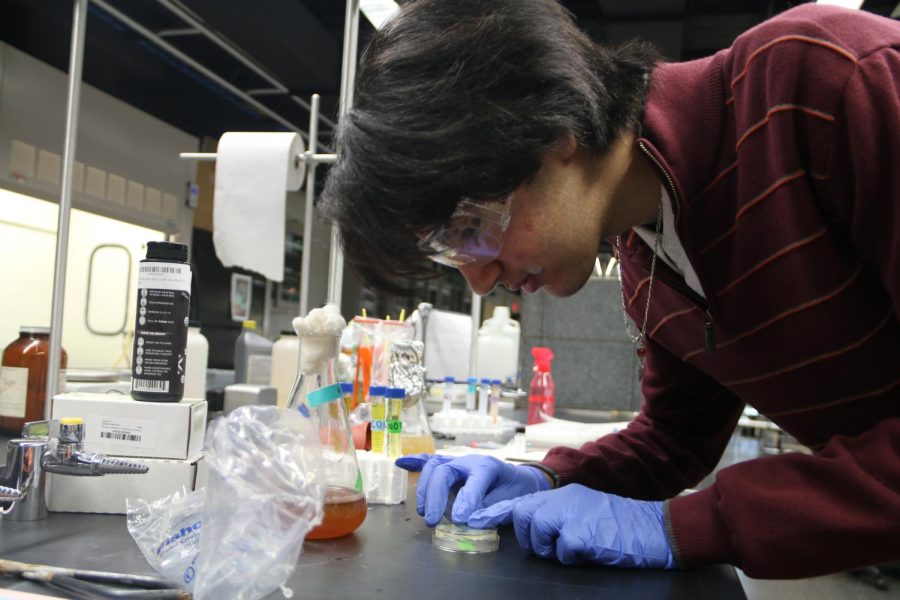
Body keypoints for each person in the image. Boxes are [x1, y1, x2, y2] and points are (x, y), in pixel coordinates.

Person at [322, 0, 900, 579]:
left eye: (472, 228)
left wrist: (694, 526)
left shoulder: (825, 82)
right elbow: (674, 442)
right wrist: (546, 477)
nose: (480, 279)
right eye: (452, 254)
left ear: (554, 133)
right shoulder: (647, 252)